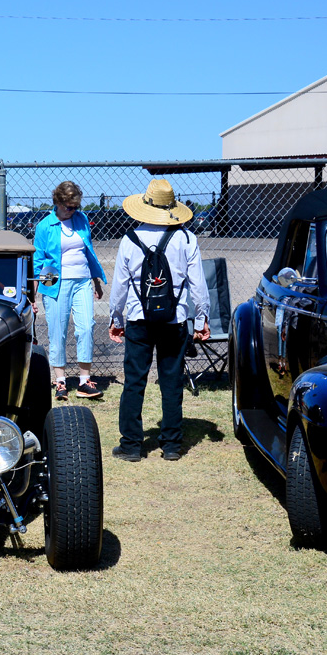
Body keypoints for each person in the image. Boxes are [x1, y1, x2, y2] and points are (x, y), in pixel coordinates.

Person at [106, 179, 210, 462]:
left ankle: (130, 445)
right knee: (172, 380)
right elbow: (198, 286)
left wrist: (116, 318)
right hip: (174, 320)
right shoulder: (187, 239)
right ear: (172, 208)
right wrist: (201, 321)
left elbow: (119, 288)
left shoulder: (129, 240)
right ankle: (172, 444)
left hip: (139, 319)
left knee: (134, 381)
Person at [32, 180, 108, 400]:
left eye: (76, 206)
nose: (73, 210)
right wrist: (33, 295)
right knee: (58, 331)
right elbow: (38, 262)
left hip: (82, 280)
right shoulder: (45, 226)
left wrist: (95, 281)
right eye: (69, 207)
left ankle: (85, 381)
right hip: (56, 284)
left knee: (86, 327)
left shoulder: (81, 219)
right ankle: (61, 382)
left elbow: (88, 252)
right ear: (58, 202)